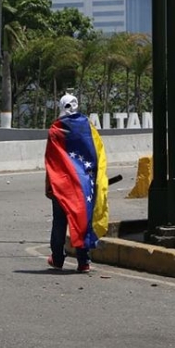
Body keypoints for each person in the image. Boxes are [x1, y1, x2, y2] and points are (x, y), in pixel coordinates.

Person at [44, 94, 109, 273]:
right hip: (83, 186)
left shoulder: (55, 130)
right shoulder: (88, 127)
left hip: (60, 185)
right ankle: (83, 262)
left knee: (59, 221)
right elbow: (97, 156)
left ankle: (57, 259)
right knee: (82, 220)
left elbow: (51, 162)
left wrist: (48, 185)